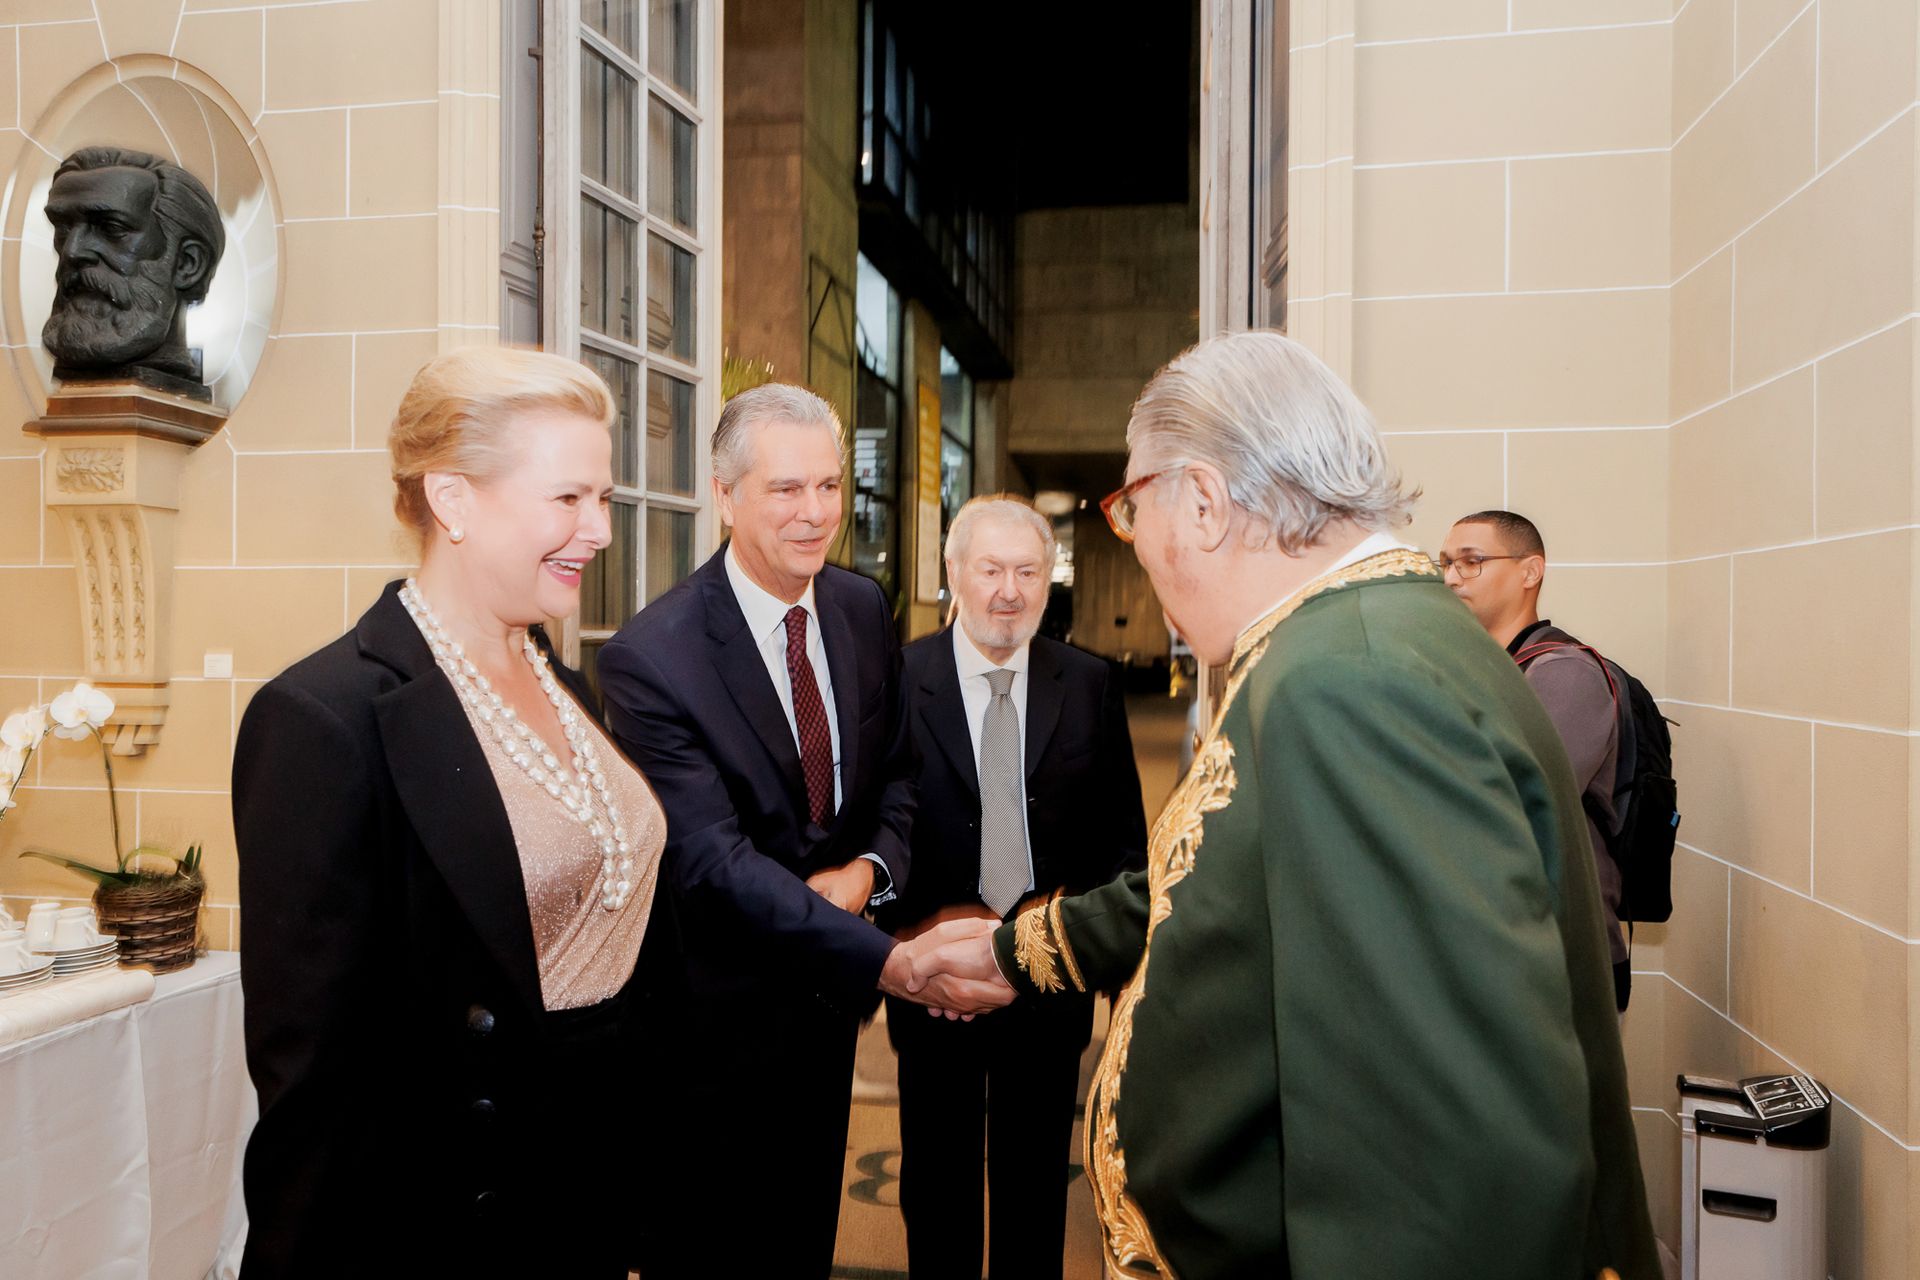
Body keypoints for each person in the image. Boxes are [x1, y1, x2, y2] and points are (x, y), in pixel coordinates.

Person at [909, 331, 1660, 1280]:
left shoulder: (1349, 680)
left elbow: (1441, 1166)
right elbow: (1216, 875)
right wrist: (1017, 949)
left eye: (1133, 512)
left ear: (1204, 502)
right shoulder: (1356, 639)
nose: (1138, 552)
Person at [232, 348, 684, 1278]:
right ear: (452, 500)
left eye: (603, 498)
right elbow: (309, 1080)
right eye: (568, 498)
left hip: (587, 1194)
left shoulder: (560, 681)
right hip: (450, 1223)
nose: (600, 529)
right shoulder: (324, 719)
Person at [596, 383, 993, 1278]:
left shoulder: (859, 608)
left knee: (805, 1245)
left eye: (828, 486)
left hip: (827, 1019)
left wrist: (867, 873)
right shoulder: (653, 657)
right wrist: (889, 962)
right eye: (785, 489)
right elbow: (712, 860)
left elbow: (899, 777)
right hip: (716, 1031)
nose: (815, 513)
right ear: (724, 495)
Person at [881, 495, 1148, 1280]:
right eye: (990, 570)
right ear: (953, 572)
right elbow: (874, 827)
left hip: (1049, 979)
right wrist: (902, 949)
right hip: (935, 985)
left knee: (1036, 1187)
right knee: (938, 1183)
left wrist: (1107, 967)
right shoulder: (897, 680)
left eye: (1027, 572)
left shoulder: (1090, 683)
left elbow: (1123, 842)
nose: (1008, 591)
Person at [1440, 509, 1633, 1012]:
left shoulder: (1565, 673)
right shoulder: (1482, 669)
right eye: (1446, 563)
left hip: (1563, 954)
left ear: (1530, 571)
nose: (1452, 577)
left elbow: (1518, 803)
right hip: (1502, 942)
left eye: (1471, 561)